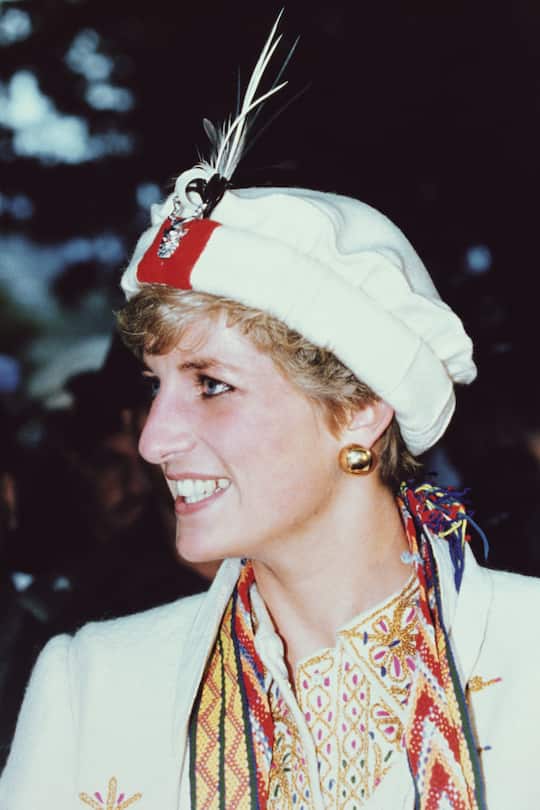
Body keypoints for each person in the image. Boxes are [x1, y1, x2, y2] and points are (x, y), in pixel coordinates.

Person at [1, 16, 539, 810]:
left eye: (210, 384)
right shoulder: (93, 685)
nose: (153, 440)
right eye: (156, 385)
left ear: (359, 409)